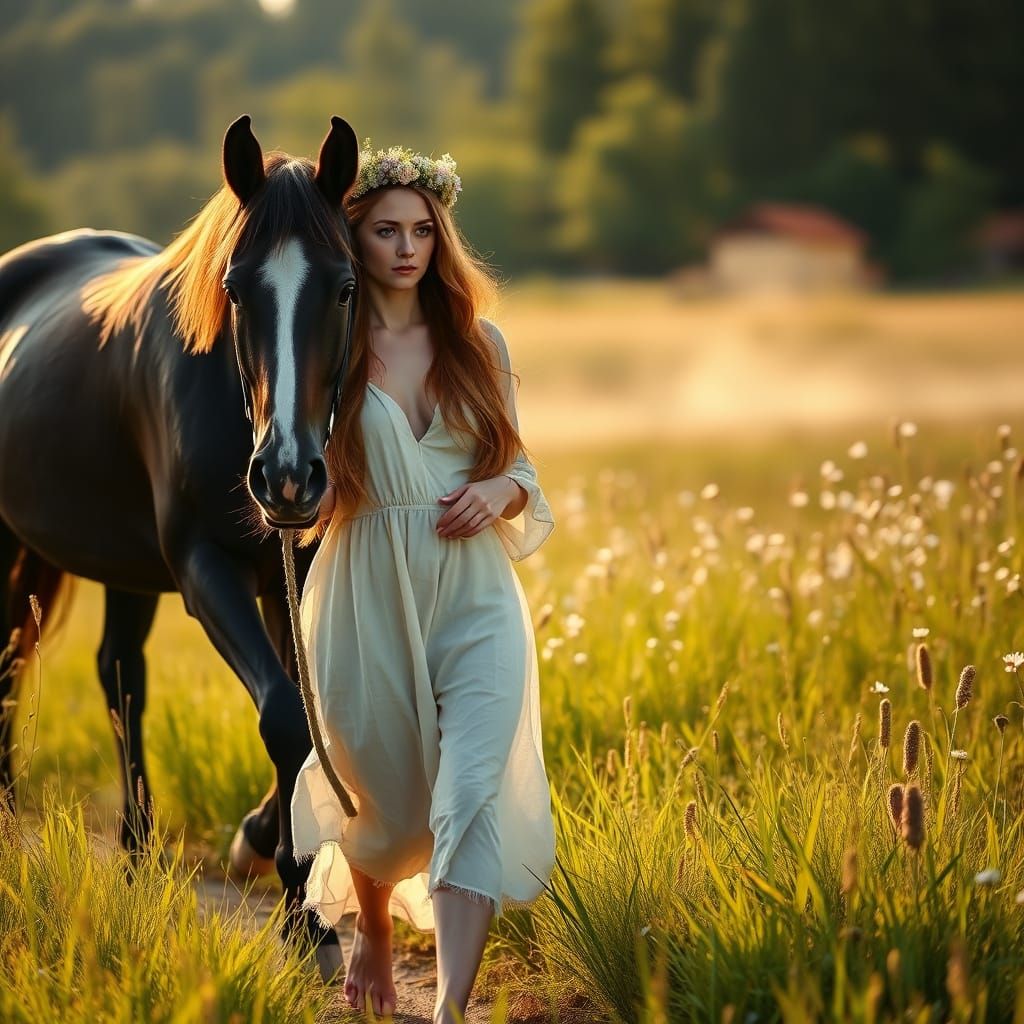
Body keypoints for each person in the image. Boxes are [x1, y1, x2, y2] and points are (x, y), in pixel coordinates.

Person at [290, 143, 556, 1023]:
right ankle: (370, 927)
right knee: (389, 802)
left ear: (441, 239)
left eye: (422, 231)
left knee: (467, 793)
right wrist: (299, 494)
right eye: (385, 232)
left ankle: (447, 1010)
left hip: (474, 597)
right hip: (366, 586)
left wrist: (496, 488)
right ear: (352, 239)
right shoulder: (328, 346)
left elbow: (524, 473)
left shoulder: (479, 342)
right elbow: (305, 478)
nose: (407, 249)